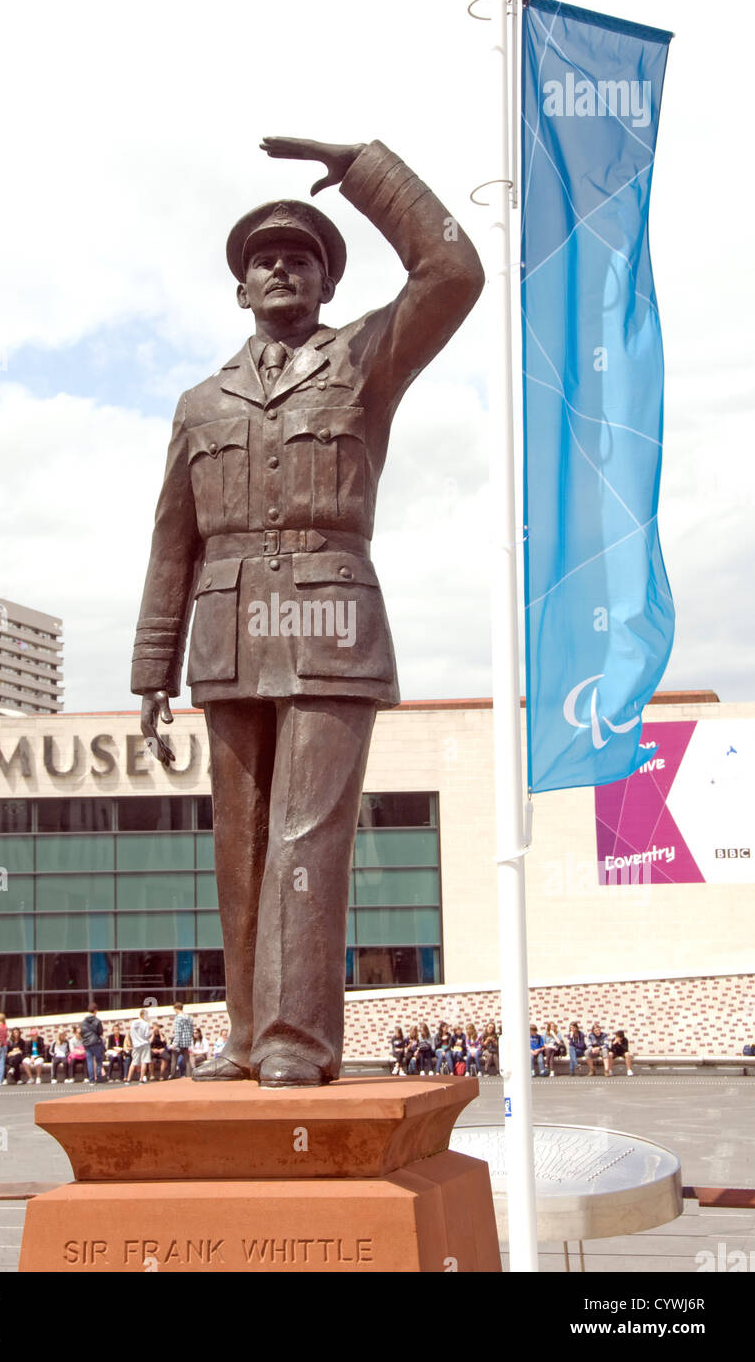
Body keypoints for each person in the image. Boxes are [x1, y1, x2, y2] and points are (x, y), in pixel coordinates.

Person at [132, 136, 483, 1089]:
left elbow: (453, 270)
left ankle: (295, 1039)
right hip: (229, 633)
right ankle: (247, 1038)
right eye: (263, 259)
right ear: (241, 289)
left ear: (327, 286)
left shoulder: (365, 360)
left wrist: (367, 169)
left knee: (304, 837)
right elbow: (174, 539)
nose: (281, 266)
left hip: (332, 628)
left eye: (303, 257)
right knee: (240, 844)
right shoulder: (200, 403)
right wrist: (149, 675)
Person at [80, 1004, 106, 1084]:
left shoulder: (83, 1022)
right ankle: (99, 1077)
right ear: (95, 1010)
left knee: (89, 1061)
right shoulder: (97, 1021)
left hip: (87, 1043)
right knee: (98, 1060)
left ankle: (91, 1079)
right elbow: (100, 1032)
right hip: (96, 1042)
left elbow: (82, 1033)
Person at [169, 1003, 194, 1079]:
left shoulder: (177, 1018)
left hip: (179, 1042)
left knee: (174, 1060)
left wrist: (174, 1044)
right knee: (187, 1060)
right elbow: (191, 1030)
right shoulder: (189, 1017)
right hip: (186, 1042)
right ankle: (189, 1075)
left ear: (176, 1008)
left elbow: (178, 1032)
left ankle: (173, 1075)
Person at [126, 1011, 151, 1083]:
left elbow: (131, 1034)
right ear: (142, 1015)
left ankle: (128, 1079)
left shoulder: (133, 1023)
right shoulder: (146, 1024)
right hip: (145, 1044)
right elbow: (147, 1035)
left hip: (136, 1045)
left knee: (134, 1061)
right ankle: (141, 1079)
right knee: (144, 1061)